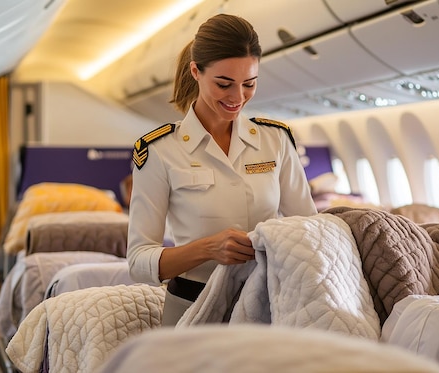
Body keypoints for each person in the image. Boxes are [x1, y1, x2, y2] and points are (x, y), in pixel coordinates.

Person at [126, 13, 317, 325]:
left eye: (249, 84)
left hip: (269, 304)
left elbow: (309, 229)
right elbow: (138, 261)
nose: (237, 97)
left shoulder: (276, 140)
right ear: (195, 72)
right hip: (192, 306)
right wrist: (208, 248)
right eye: (224, 84)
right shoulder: (160, 150)